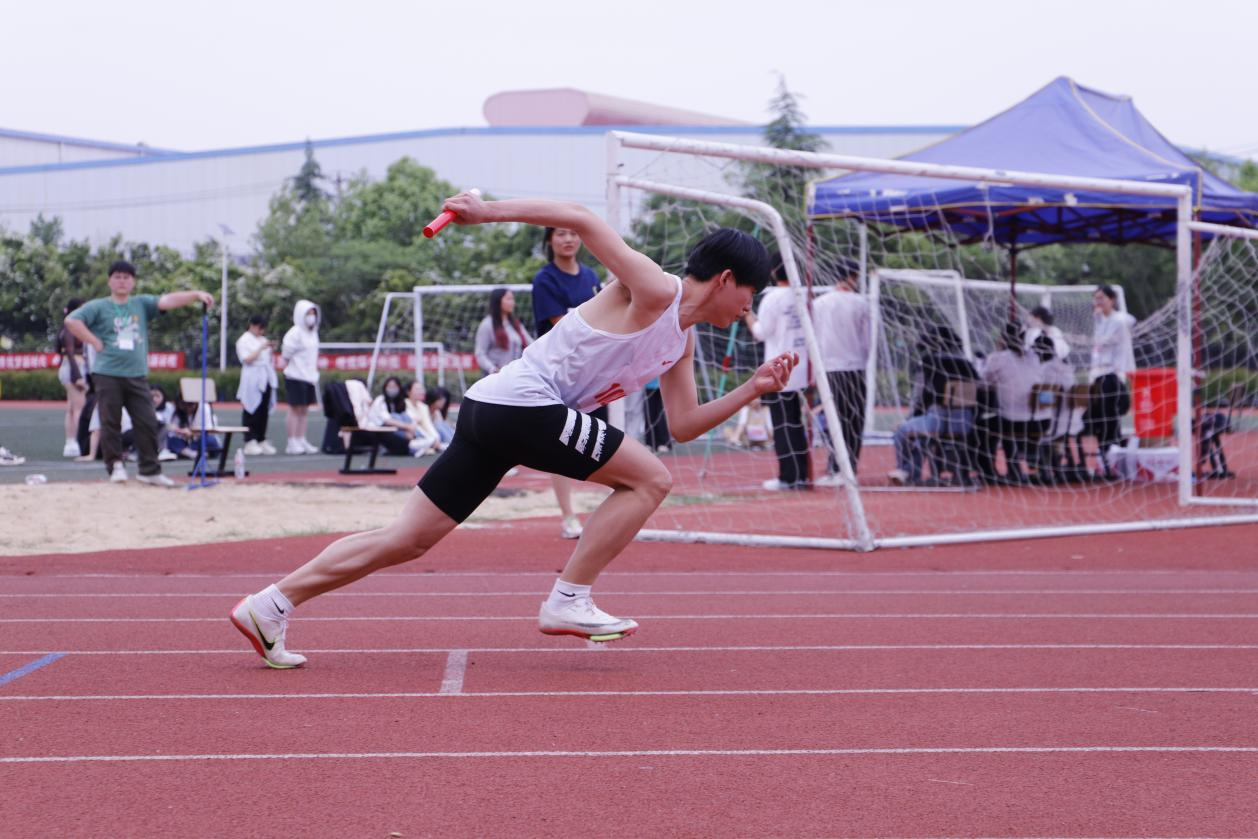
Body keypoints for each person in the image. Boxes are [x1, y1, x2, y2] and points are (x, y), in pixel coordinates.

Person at [230, 192, 794, 668]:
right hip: (523, 405)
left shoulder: (681, 340)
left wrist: (753, 388)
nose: (750, 308)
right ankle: (568, 599)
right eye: (751, 295)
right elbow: (580, 218)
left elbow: (685, 423)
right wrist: (485, 211)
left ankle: (270, 605)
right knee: (650, 480)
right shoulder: (656, 290)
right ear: (725, 280)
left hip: (491, 409)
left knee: (408, 540)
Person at [63, 260, 213, 486]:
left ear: (133, 282)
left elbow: (168, 300)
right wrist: (94, 341)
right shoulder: (99, 306)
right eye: (117, 277)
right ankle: (115, 466)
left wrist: (195, 294)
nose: (122, 281)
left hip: (136, 374)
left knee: (147, 419)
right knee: (110, 421)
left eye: (127, 277)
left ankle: (149, 469)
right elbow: (71, 320)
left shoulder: (141, 303)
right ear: (110, 281)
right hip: (107, 373)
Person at [531, 226, 605, 538]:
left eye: (574, 233)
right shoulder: (545, 280)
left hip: (595, 373)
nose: (568, 239)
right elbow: (563, 327)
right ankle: (568, 515)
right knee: (561, 447)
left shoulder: (590, 277)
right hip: (558, 375)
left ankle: (606, 511)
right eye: (560, 233)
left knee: (600, 443)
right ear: (549, 240)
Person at [744, 264, 810, 490]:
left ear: (773, 271)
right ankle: (801, 474)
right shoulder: (803, 296)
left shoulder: (772, 299)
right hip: (801, 368)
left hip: (779, 369)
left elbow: (760, 332)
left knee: (782, 425)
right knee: (795, 423)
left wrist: (747, 315)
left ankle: (788, 477)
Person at [888, 325, 979, 486]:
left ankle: (907, 472)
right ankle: (914, 472)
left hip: (937, 421)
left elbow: (918, 397)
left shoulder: (929, 362)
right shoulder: (968, 365)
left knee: (902, 431)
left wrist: (907, 419)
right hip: (964, 424)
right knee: (919, 434)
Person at [811, 259, 870, 486]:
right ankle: (848, 469)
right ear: (854, 276)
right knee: (854, 421)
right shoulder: (861, 303)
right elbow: (867, 342)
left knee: (836, 419)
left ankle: (836, 468)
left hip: (829, 368)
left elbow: (813, 338)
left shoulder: (819, 304)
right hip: (855, 367)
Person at [978, 323, 1045, 484]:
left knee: (981, 426)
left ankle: (989, 472)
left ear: (1003, 339)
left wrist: (994, 353)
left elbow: (983, 383)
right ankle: (1014, 470)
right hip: (1041, 421)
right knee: (1001, 419)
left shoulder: (999, 358)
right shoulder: (1034, 358)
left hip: (1013, 422)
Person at [1088, 284, 1136, 480]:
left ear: (1112, 300)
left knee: (1109, 417)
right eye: (1096, 298)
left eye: (1102, 298)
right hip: (1098, 376)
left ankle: (1112, 454)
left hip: (1112, 375)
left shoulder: (1120, 319)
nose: (1098, 302)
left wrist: (1106, 314)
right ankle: (1105, 456)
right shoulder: (1099, 321)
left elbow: (1131, 320)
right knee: (1098, 418)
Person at [280, 299, 321, 455]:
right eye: (308, 314)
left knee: (304, 410)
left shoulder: (313, 332)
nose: (311, 317)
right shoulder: (295, 333)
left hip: (309, 377)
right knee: (294, 409)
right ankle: (292, 441)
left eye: (313, 314)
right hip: (295, 376)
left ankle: (301, 438)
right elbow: (286, 355)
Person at [236, 314, 279, 456]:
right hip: (251, 377)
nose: (261, 332)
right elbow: (247, 359)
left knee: (263, 410)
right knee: (250, 408)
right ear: (252, 326)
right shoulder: (243, 340)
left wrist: (270, 348)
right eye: (260, 328)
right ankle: (250, 440)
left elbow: (267, 359)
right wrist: (260, 348)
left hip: (265, 377)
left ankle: (261, 438)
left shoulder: (263, 339)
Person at [366, 376, 433, 456]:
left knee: (402, 417)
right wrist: (408, 427)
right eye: (389, 386)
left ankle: (419, 441)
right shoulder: (380, 400)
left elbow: (410, 418)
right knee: (395, 417)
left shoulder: (399, 402)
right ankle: (413, 446)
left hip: (398, 431)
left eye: (394, 386)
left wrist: (411, 428)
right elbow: (387, 421)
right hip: (379, 430)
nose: (392, 389)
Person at [56, 298, 88, 457]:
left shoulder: (71, 327)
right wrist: (78, 377)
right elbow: (68, 352)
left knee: (71, 408)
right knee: (79, 408)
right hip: (73, 368)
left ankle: (71, 443)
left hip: (70, 367)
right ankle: (80, 442)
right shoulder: (70, 329)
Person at [474, 288, 530, 375]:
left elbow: (530, 343)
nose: (512, 302)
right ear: (498, 301)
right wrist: (492, 369)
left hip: (515, 374)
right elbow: (480, 354)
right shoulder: (487, 325)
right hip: (495, 376)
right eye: (508, 299)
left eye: (512, 299)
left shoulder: (515, 324)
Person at [404, 379, 444, 457]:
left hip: (426, 438)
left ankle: (432, 445)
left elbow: (428, 425)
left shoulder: (423, 407)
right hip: (412, 438)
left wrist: (436, 438)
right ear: (408, 392)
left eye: (422, 389)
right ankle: (431, 445)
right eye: (417, 389)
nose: (421, 391)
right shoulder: (403, 404)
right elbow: (416, 428)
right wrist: (432, 440)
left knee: (437, 437)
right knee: (413, 444)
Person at [150, 385, 177, 460]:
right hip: (148, 436)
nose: (154, 399)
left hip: (166, 436)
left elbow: (172, 425)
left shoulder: (169, 407)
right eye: (152, 396)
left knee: (165, 427)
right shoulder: (144, 408)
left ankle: (163, 450)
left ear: (163, 397)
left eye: (157, 396)